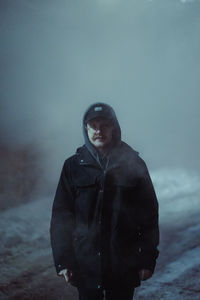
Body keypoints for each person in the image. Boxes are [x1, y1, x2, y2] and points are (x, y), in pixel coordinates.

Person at [50, 103, 159, 300]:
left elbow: (149, 215)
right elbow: (61, 216)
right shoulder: (73, 166)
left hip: (124, 263)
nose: (99, 131)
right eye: (93, 125)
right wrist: (63, 261)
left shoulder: (133, 163)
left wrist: (147, 260)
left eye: (104, 125)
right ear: (86, 129)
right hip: (86, 263)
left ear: (114, 127)